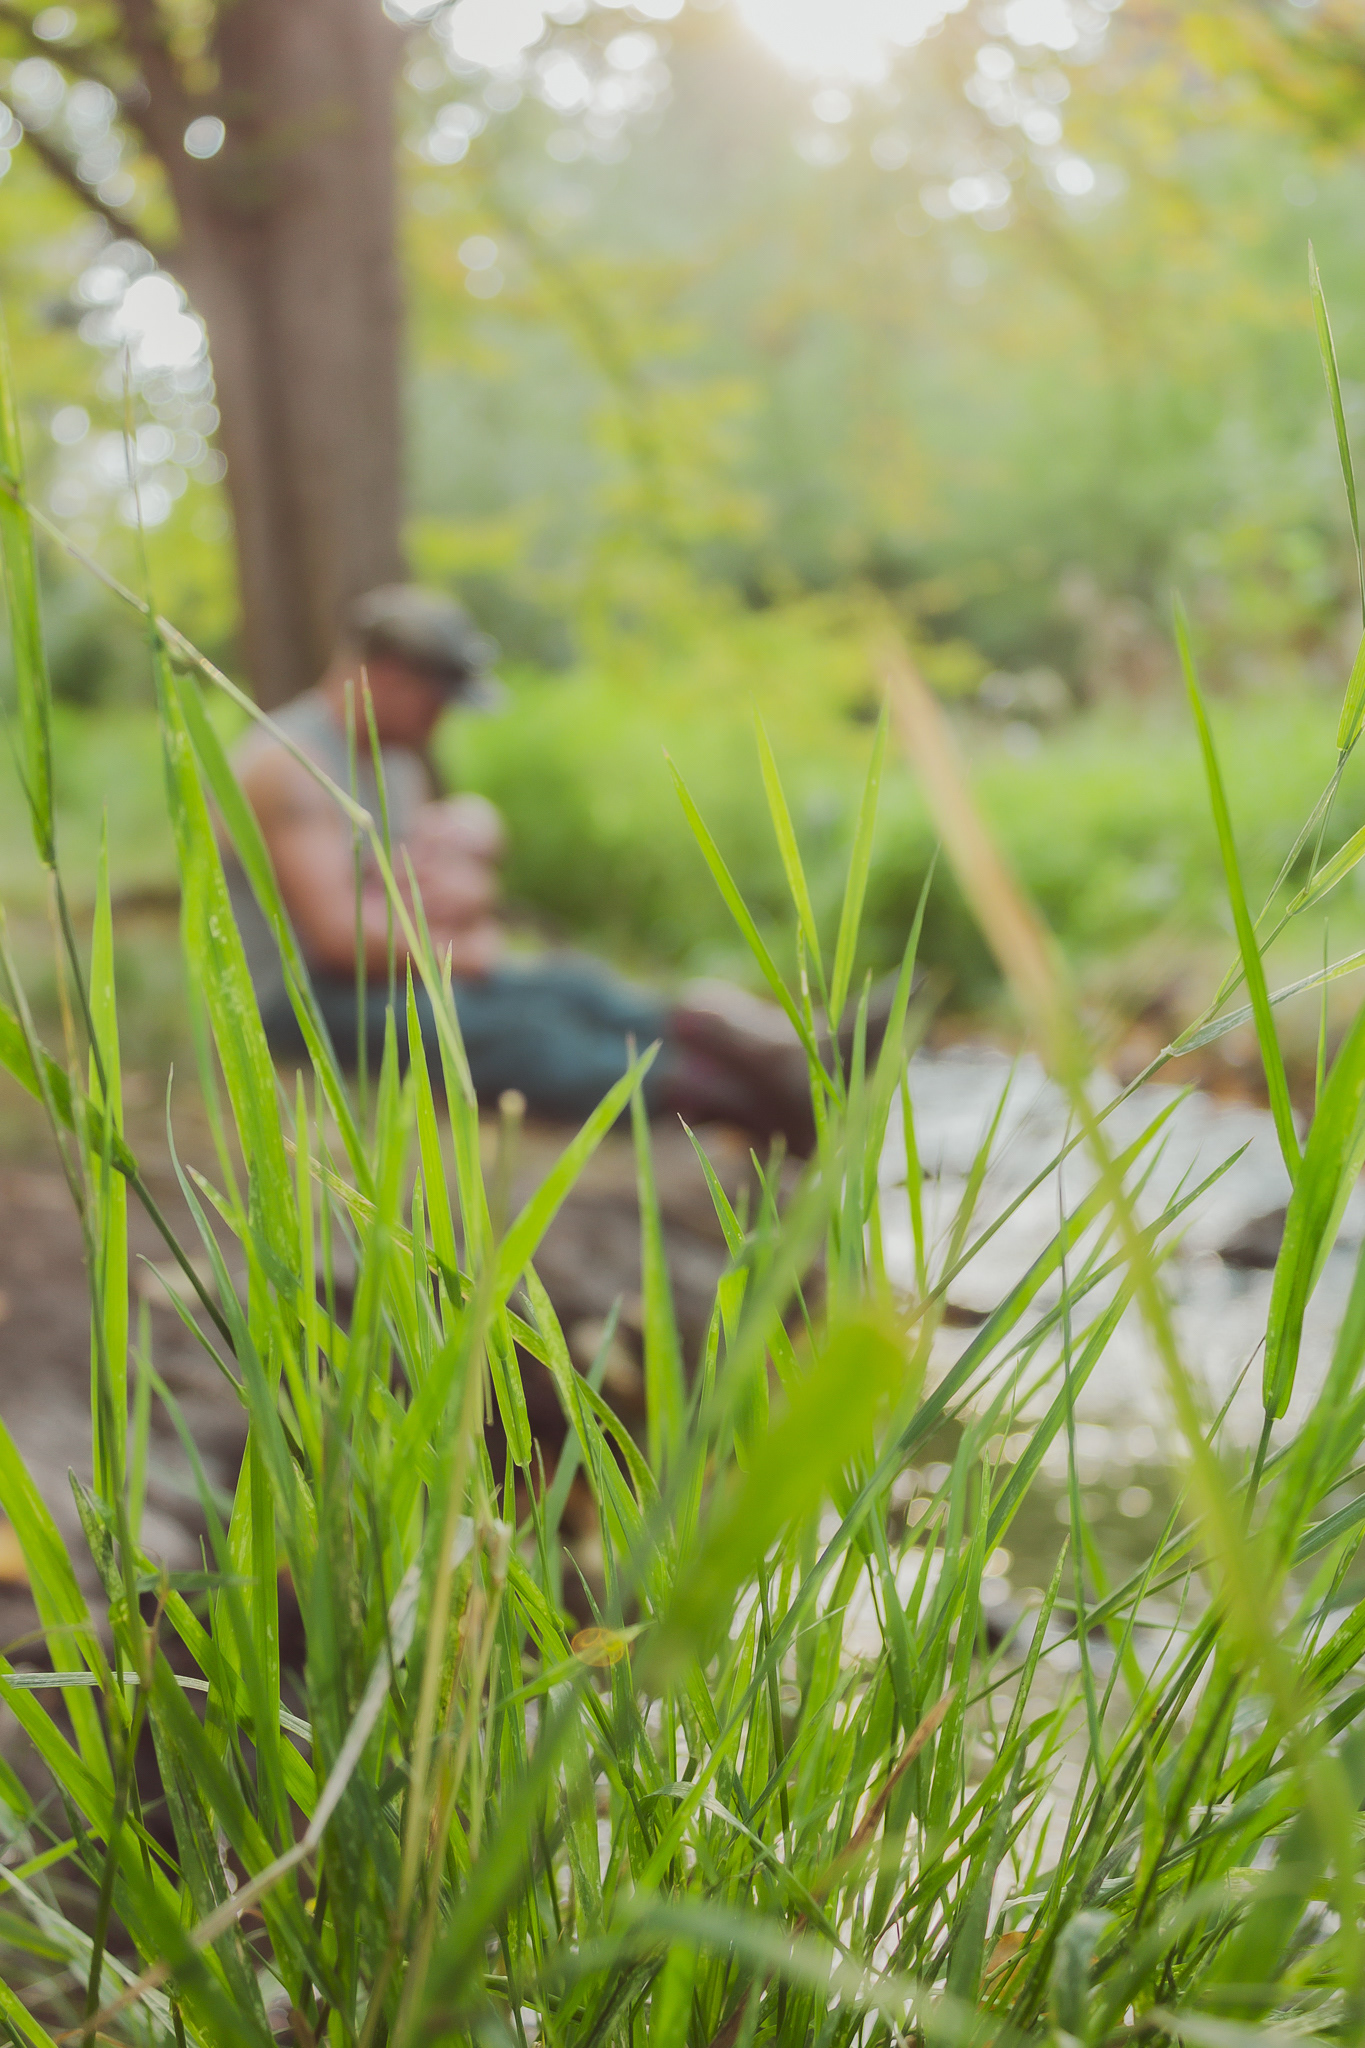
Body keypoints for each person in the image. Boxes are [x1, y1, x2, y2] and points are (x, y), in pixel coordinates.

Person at [222, 585, 819, 1151]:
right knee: (521, 1031)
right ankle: (735, 1101)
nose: (441, 723)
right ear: (386, 679)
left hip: (398, 972)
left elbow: (419, 890)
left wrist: (470, 886)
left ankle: (777, 1053)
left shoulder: (393, 760)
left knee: (570, 986)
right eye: (436, 704)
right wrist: (465, 953)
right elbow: (339, 941)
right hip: (305, 1005)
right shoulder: (287, 766)